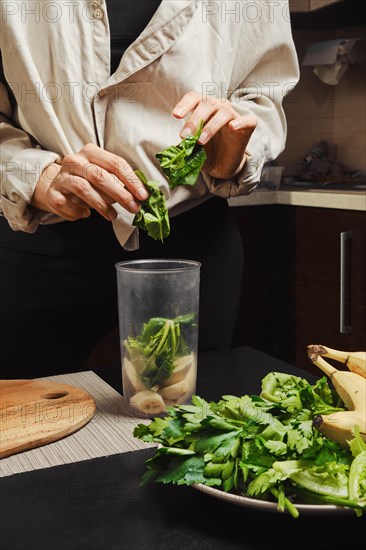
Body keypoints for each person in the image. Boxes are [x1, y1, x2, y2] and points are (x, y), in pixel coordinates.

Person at [0, 0, 299, 386]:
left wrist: (236, 151)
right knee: (18, 419)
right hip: (40, 239)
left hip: (190, 244)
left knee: (184, 422)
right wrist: (31, 174)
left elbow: (264, 96)